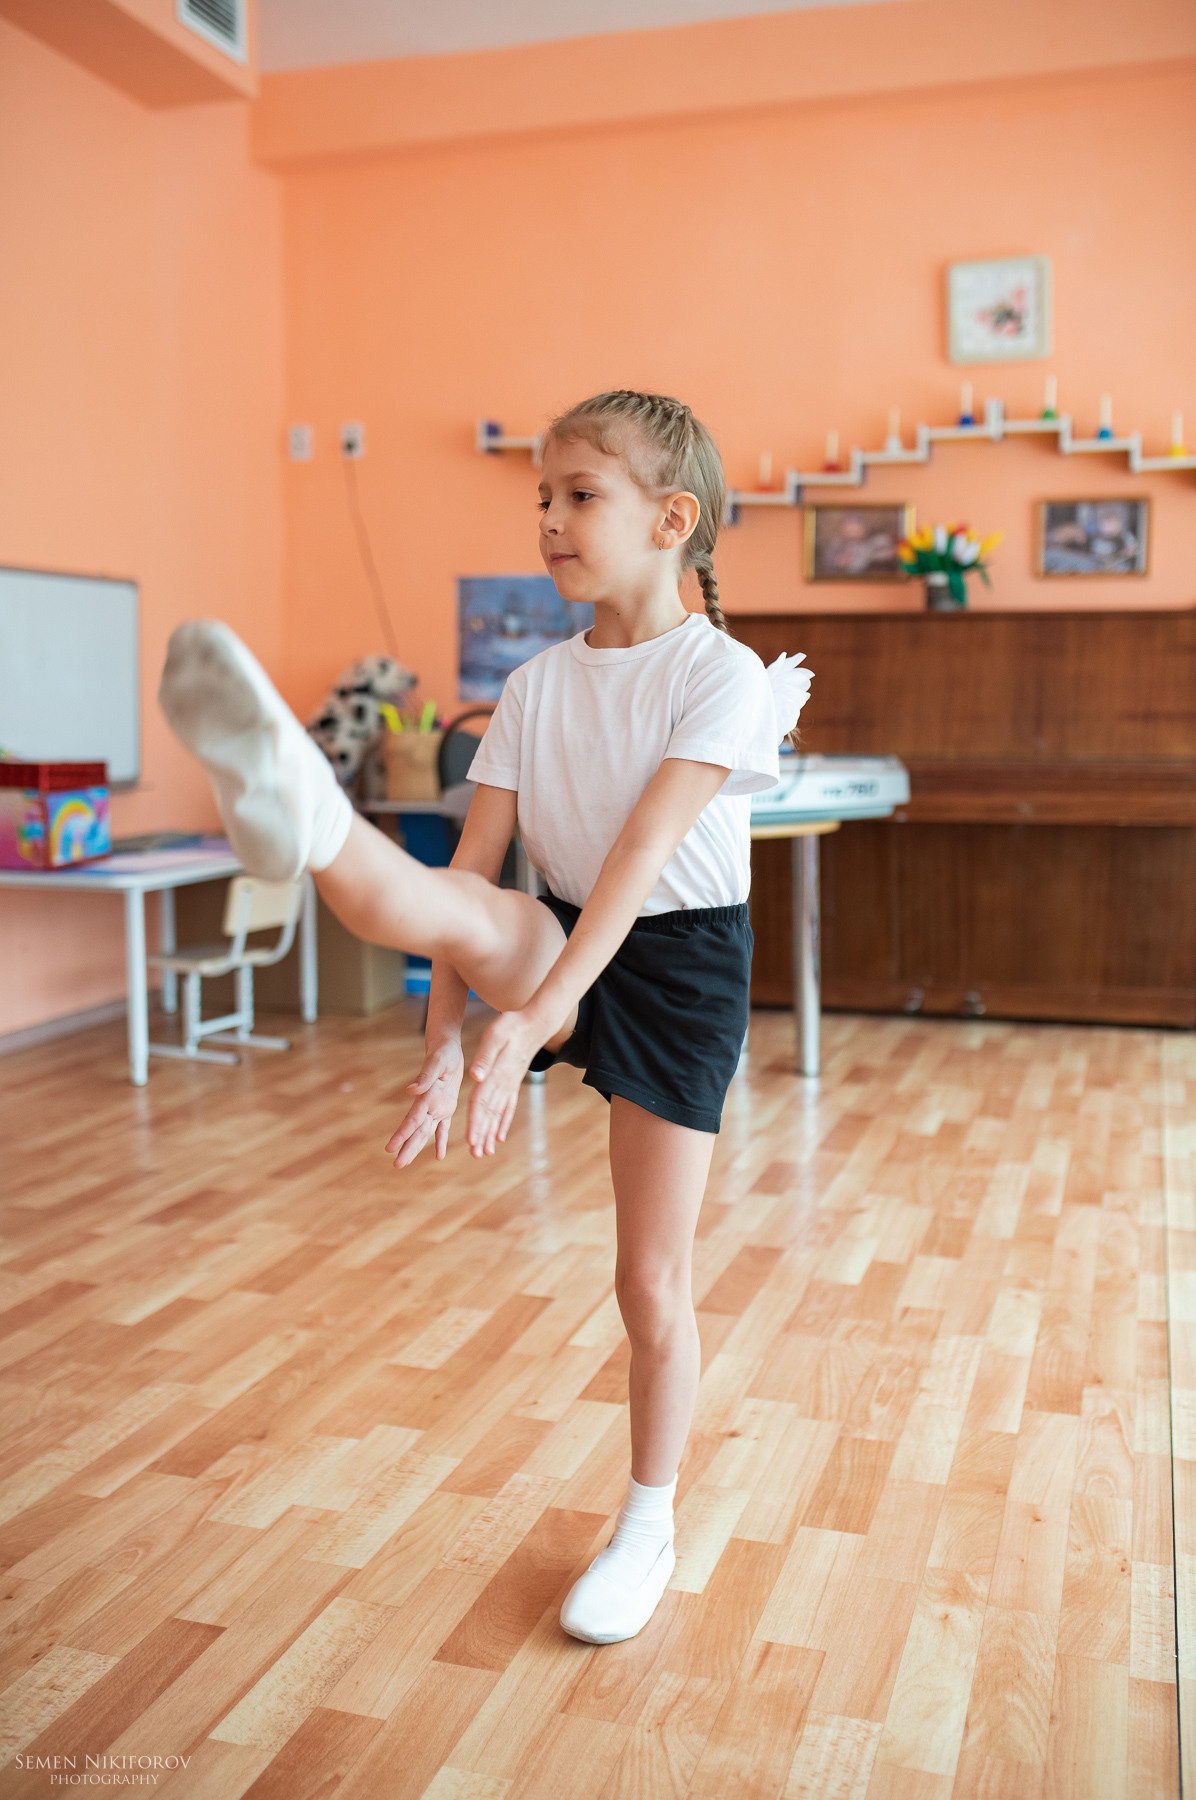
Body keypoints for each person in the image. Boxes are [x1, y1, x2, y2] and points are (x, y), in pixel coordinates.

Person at [158, 388, 812, 1646]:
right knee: (458, 914)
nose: (550, 522)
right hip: (556, 925)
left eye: (580, 497)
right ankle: (313, 819)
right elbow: (467, 886)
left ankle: (647, 1520)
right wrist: (447, 1044)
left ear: (672, 519)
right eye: (541, 500)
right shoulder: (531, 685)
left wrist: (524, 1029)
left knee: (647, 1281)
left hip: (675, 963)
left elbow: (639, 856)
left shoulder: (718, 676)